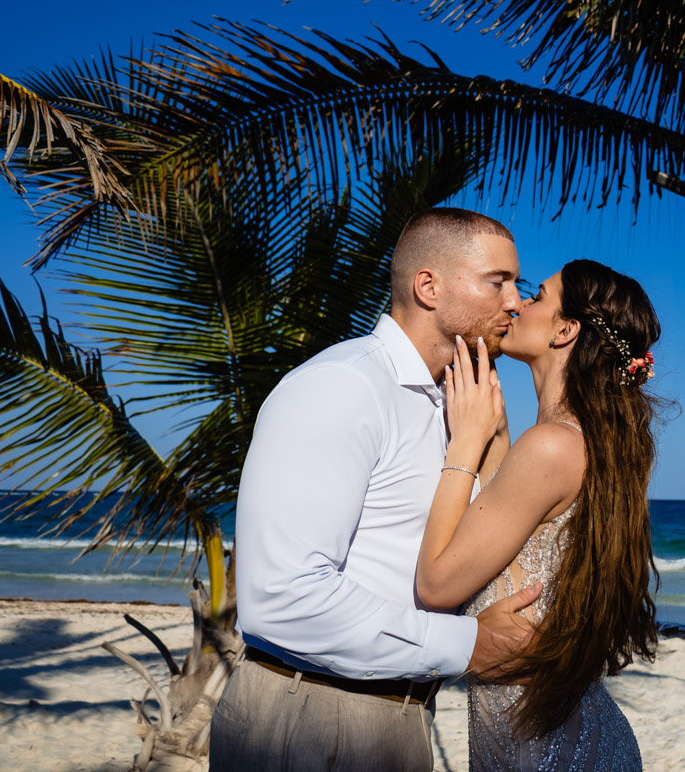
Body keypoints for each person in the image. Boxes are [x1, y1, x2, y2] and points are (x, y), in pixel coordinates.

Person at [210, 208, 542, 772]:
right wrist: (469, 645)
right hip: (310, 714)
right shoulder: (345, 385)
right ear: (428, 287)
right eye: (498, 281)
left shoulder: (458, 406)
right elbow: (282, 598)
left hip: (400, 719)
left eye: (517, 284)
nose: (514, 302)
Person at [416, 259, 660, 771]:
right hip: (552, 741)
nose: (517, 304)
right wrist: (493, 430)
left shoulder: (551, 446)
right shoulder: (576, 443)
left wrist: (465, 441)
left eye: (538, 296)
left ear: (566, 329)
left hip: (551, 753)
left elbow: (437, 584)